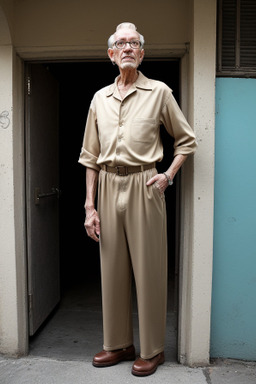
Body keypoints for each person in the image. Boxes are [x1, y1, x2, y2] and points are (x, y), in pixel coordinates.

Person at [78, 22, 197, 377]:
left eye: (134, 43)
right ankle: (118, 344)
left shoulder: (159, 91)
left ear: (142, 53)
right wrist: (90, 206)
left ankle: (152, 350)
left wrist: (168, 175)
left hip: (146, 184)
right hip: (108, 185)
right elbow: (89, 155)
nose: (128, 48)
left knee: (149, 270)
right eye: (121, 43)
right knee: (111, 269)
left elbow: (186, 140)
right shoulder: (99, 98)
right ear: (111, 54)